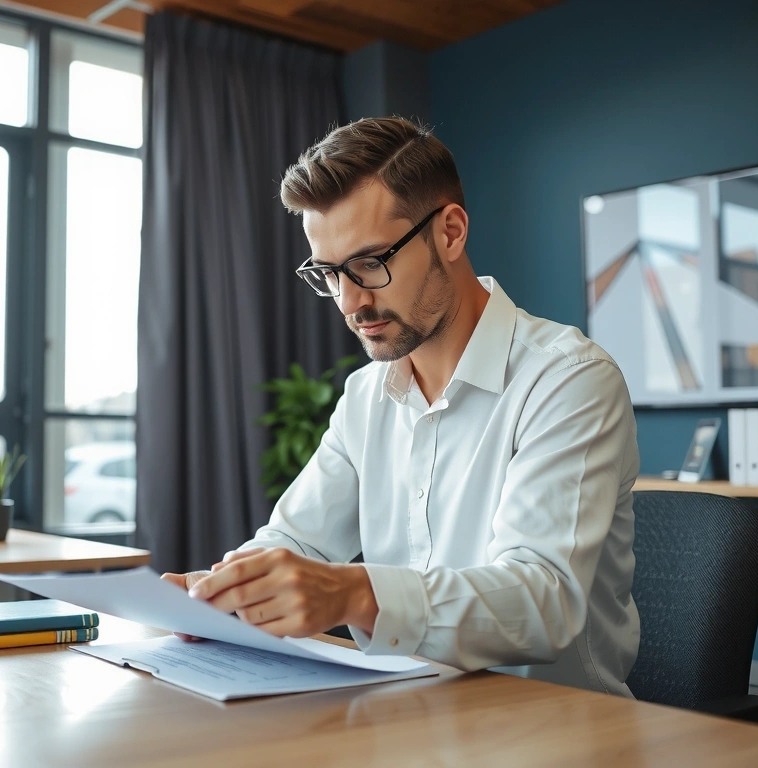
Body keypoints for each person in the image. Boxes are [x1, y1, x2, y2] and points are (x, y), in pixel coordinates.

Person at [162, 116, 640, 696]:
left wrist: (353, 593)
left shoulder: (568, 379)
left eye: (369, 264)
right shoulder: (366, 396)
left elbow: (543, 600)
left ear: (451, 232)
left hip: (555, 729)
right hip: (405, 715)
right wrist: (226, 589)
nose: (350, 302)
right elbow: (298, 542)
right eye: (330, 274)